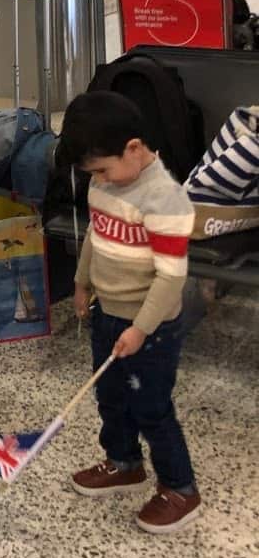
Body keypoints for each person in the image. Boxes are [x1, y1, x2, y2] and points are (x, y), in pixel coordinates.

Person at [60, 91, 200, 535]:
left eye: (103, 168)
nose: (98, 179)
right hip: (109, 314)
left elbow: (171, 278)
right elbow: (95, 240)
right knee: (111, 397)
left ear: (134, 149)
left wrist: (141, 329)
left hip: (152, 327)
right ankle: (123, 462)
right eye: (92, 172)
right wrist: (83, 283)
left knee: (151, 406)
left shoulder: (166, 200)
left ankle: (180, 488)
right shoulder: (105, 185)